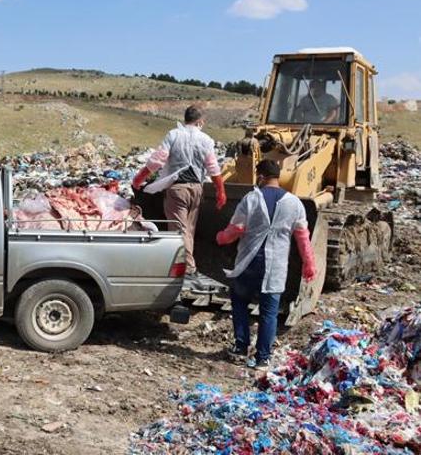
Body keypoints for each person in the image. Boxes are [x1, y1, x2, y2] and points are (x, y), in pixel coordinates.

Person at [216, 159, 317, 370]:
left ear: (260, 176)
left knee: (240, 301)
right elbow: (302, 237)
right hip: (276, 265)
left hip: (249, 262)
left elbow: (236, 229)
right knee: (269, 311)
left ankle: (241, 346)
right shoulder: (295, 203)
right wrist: (309, 264)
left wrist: (220, 238)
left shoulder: (251, 198)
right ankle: (263, 358)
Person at [132, 105, 226, 293]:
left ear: (186, 119)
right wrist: (220, 191)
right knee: (188, 230)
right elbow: (213, 168)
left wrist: (139, 179)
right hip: (197, 190)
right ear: (200, 121)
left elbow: (157, 160)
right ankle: (187, 267)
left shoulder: (174, 135)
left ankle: (186, 270)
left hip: (178, 189)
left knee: (178, 231)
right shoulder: (206, 139)